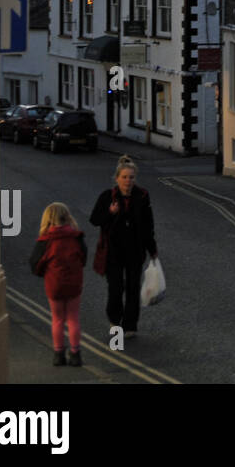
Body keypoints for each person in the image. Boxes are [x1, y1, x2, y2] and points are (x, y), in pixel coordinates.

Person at [90, 155, 158, 335]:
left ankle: (130, 325)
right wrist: (110, 213)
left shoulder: (142, 196)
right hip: (113, 251)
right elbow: (94, 220)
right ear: (117, 178)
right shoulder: (108, 197)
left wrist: (152, 250)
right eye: (125, 177)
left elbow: (147, 225)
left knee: (133, 289)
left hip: (135, 250)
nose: (128, 181)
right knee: (116, 288)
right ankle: (115, 321)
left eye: (131, 177)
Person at [29, 202, 87, 366]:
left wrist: (44, 273)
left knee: (57, 319)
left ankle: (58, 354)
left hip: (54, 284)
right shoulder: (76, 237)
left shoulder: (46, 240)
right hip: (74, 284)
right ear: (67, 217)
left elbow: (35, 262)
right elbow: (83, 257)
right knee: (73, 319)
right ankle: (75, 354)